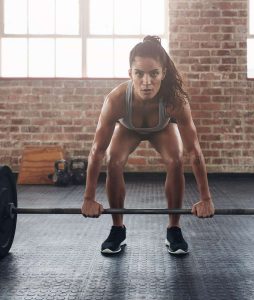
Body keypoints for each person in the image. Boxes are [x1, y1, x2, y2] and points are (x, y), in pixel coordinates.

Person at [81, 36, 215, 255]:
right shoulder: (115, 100)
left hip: (162, 128)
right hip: (128, 129)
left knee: (176, 159)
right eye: (139, 73)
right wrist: (88, 198)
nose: (146, 81)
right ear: (130, 74)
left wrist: (206, 199)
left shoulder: (175, 101)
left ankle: (174, 229)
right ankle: (117, 229)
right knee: (113, 161)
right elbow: (97, 151)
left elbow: (194, 151)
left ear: (163, 73)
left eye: (154, 73)